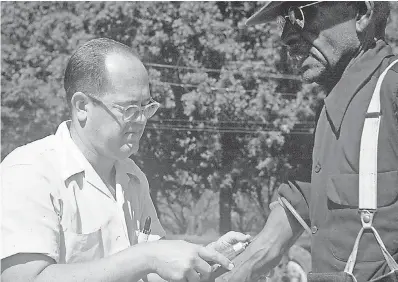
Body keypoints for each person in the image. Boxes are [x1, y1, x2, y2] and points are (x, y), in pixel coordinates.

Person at [1, 38, 251, 282]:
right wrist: (146, 257)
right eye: (130, 109)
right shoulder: (29, 173)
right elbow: (22, 277)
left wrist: (201, 260)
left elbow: (153, 269)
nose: (142, 120)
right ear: (82, 106)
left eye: (146, 107)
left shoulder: (132, 176)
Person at [214, 1, 398, 282]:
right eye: (282, 21)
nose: (286, 36)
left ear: (361, 13)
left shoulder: (391, 94)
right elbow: (273, 239)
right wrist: (221, 275)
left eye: (299, 14)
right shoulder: (327, 113)